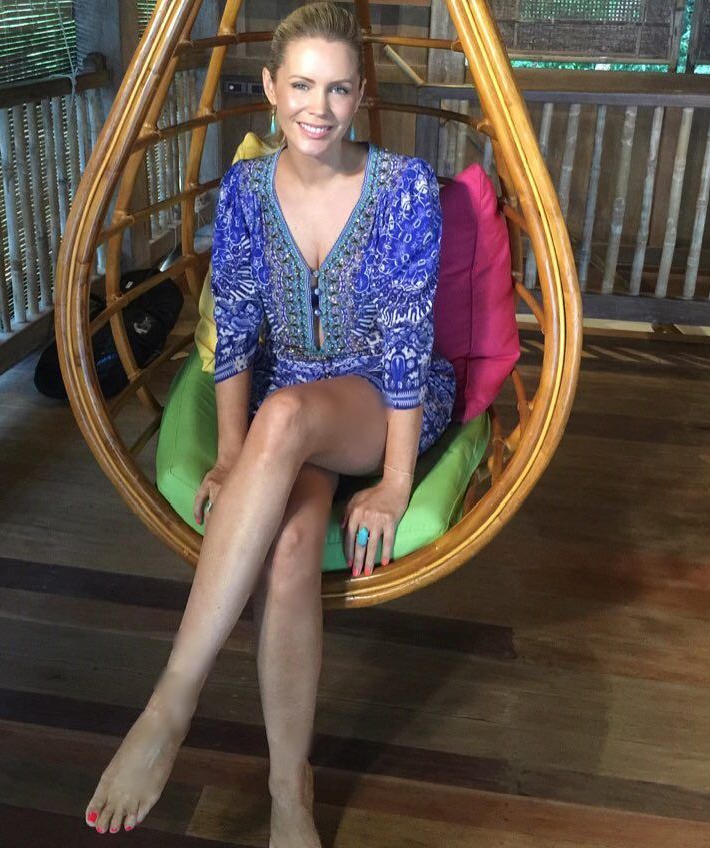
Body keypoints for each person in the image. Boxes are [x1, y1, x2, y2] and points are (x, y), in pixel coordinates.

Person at [83, 3, 455, 844]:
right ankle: (292, 791)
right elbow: (239, 327)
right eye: (303, 86)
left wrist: (397, 483)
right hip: (290, 402)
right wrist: (228, 454)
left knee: (284, 415)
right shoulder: (246, 191)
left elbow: (407, 343)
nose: (319, 108)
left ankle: (169, 705)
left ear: (361, 95)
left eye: (339, 89)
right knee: (288, 548)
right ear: (270, 89)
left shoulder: (404, 188)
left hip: (377, 399)